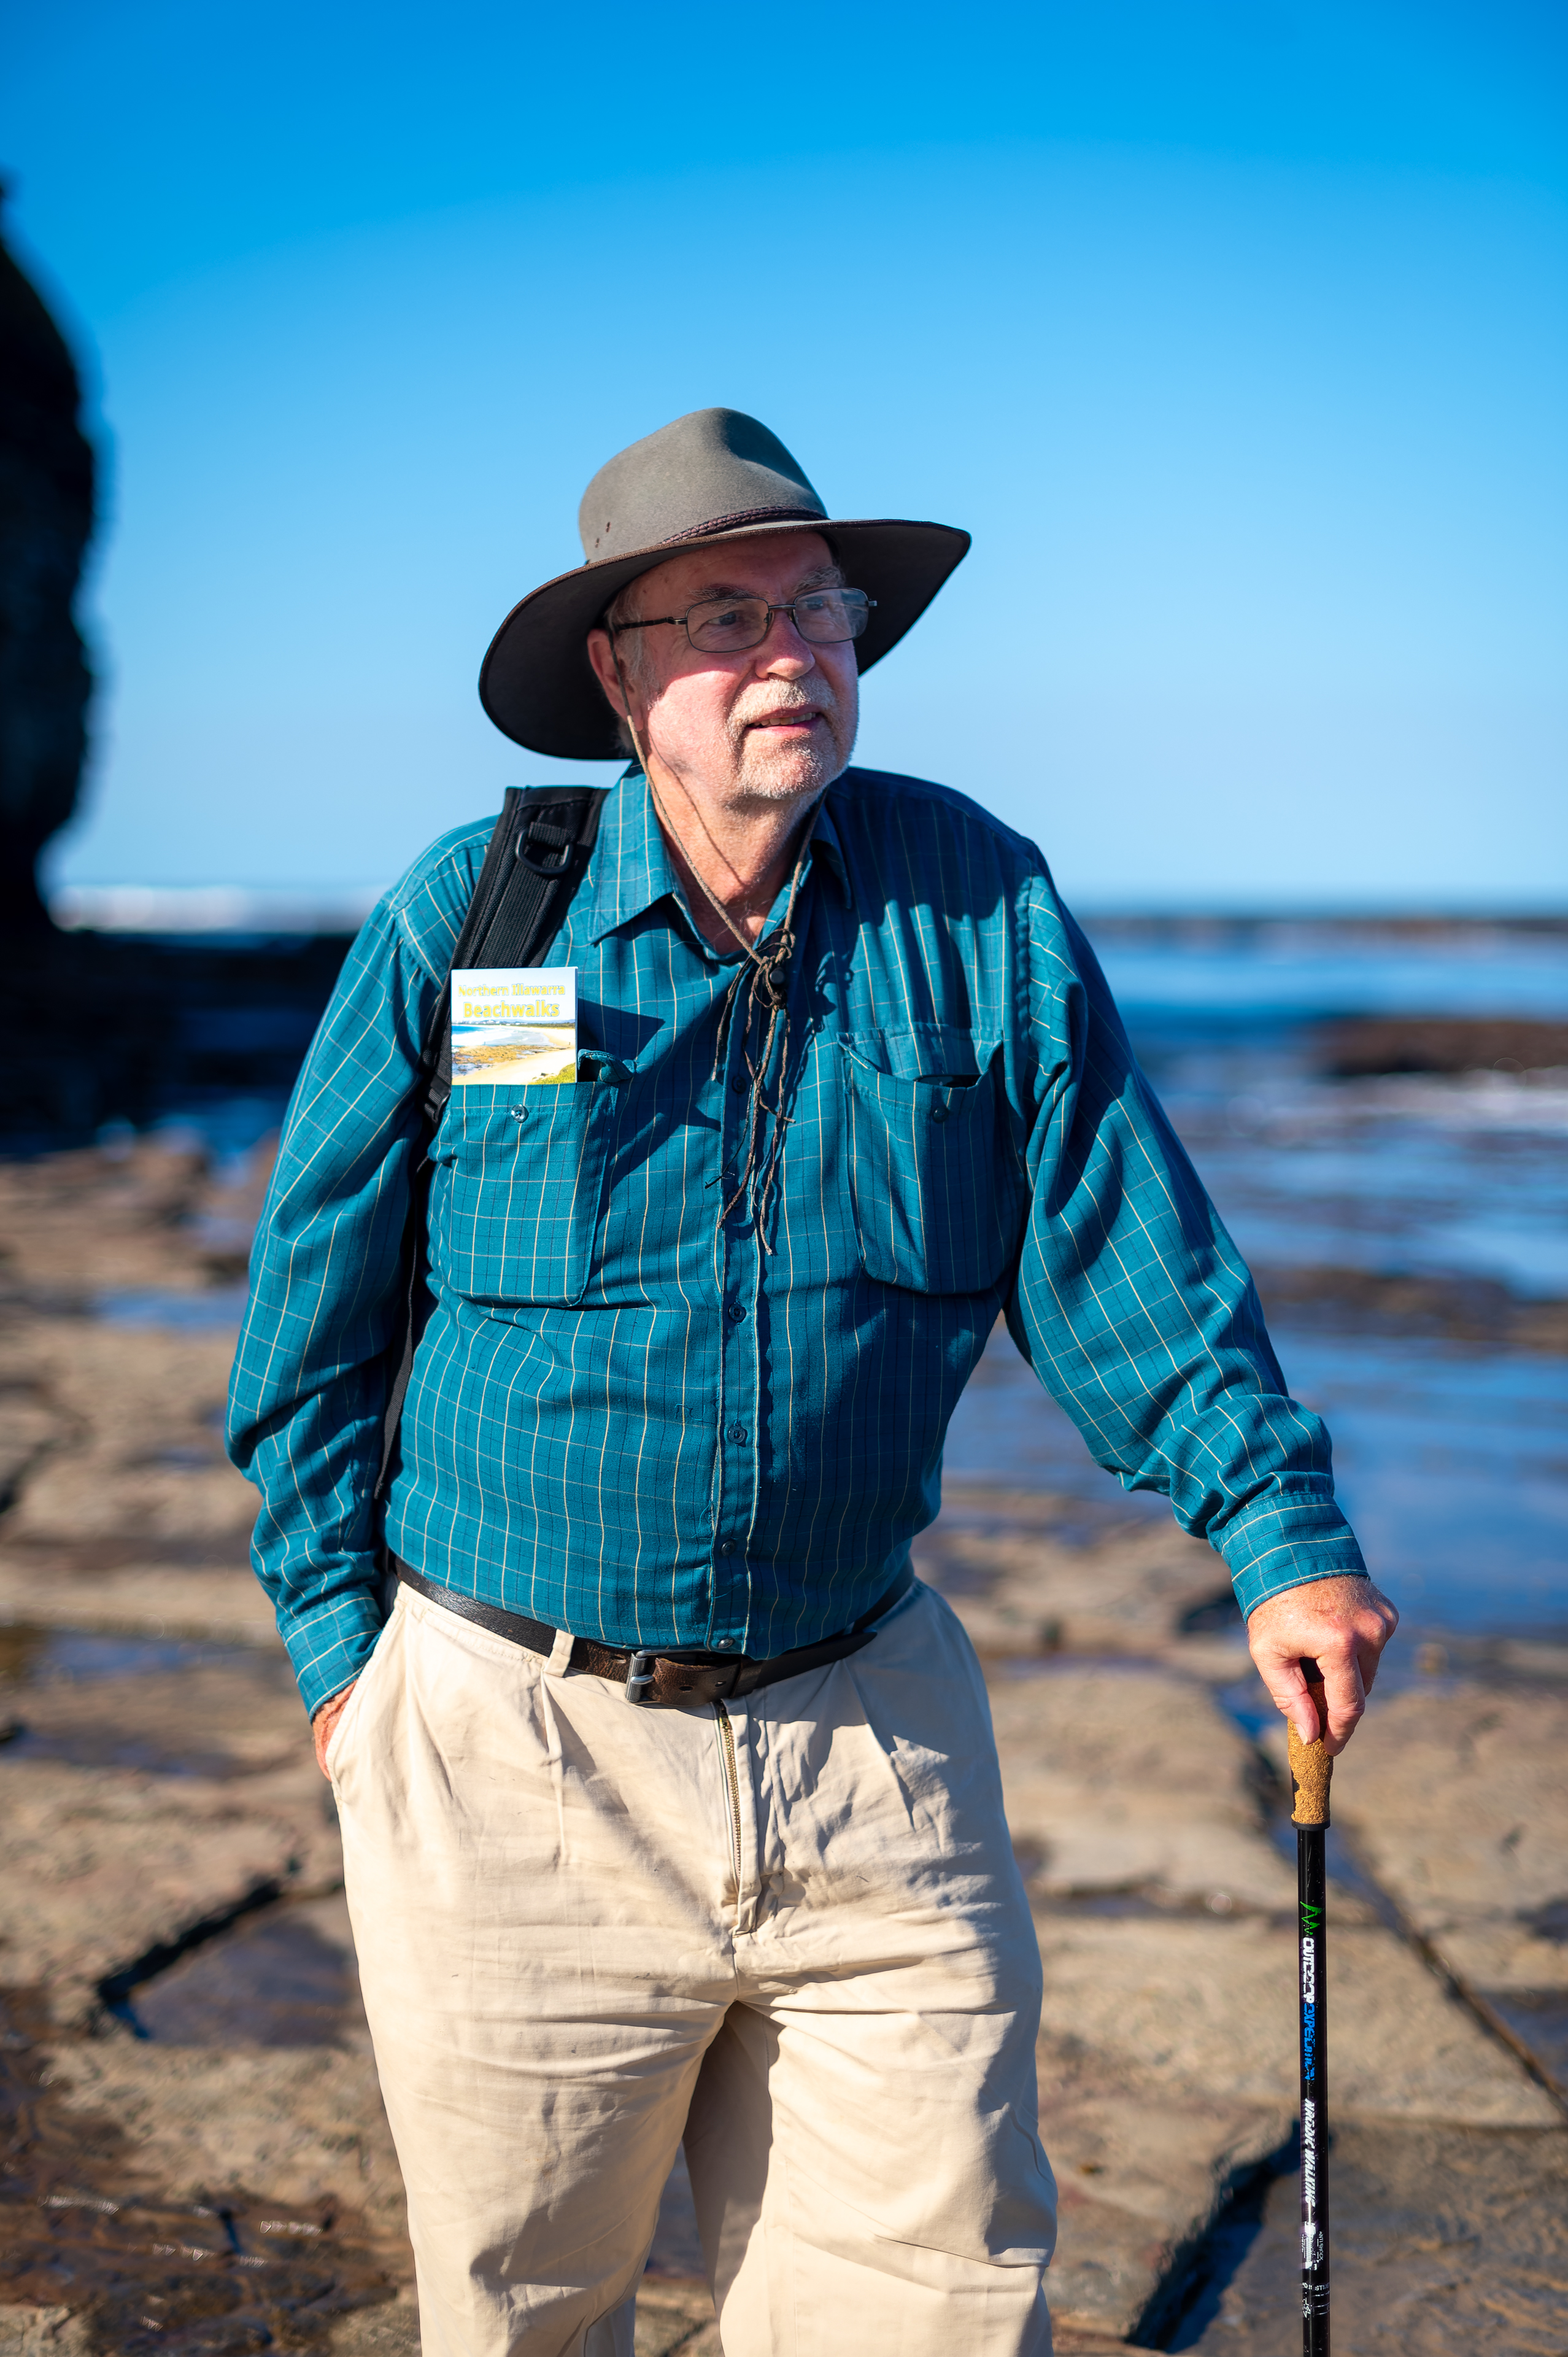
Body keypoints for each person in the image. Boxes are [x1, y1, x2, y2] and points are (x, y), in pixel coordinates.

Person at [228, 407, 1397, 2357]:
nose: (792, 651)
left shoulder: (974, 901)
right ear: (619, 678)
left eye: (818, 608)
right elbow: (309, 1329)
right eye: (724, 618)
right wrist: (351, 1676)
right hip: (511, 1741)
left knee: (933, 2305)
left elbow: (1122, 1255)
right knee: (525, 2314)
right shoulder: (476, 919)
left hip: (874, 1738)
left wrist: (1279, 1538)